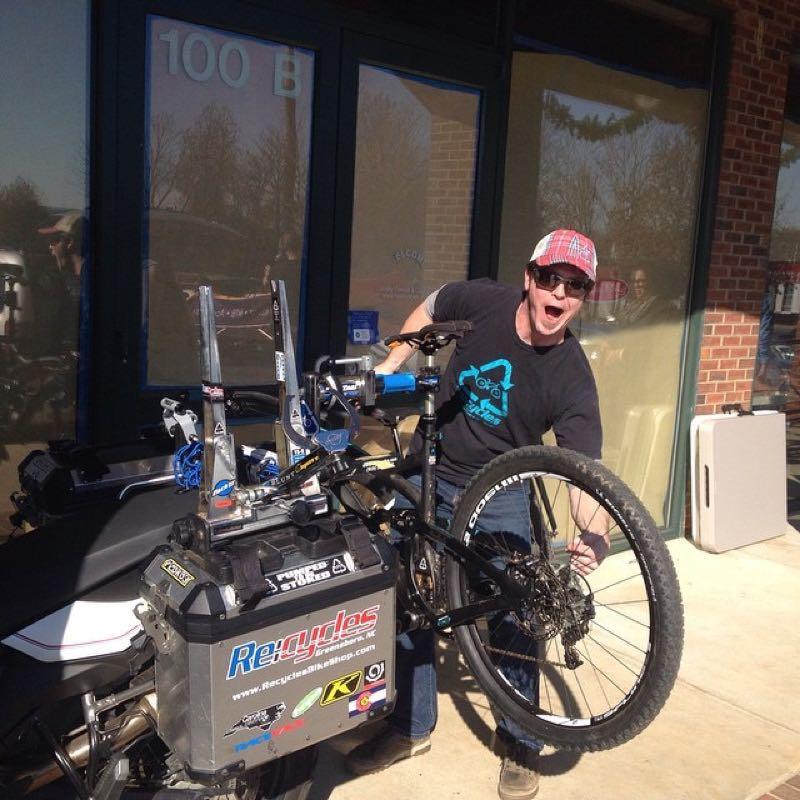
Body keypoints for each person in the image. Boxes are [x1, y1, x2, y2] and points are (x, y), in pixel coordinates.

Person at [345, 229, 609, 800]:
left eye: (574, 286)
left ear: (582, 297)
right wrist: (393, 364)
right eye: (549, 278)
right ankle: (408, 727)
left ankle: (520, 744)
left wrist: (596, 531)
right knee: (407, 589)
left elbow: (582, 470)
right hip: (429, 466)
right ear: (528, 278)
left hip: (501, 489)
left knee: (515, 613)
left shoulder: (570, 373)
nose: (558, 293)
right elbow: (434, 304)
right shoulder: (483, 303)